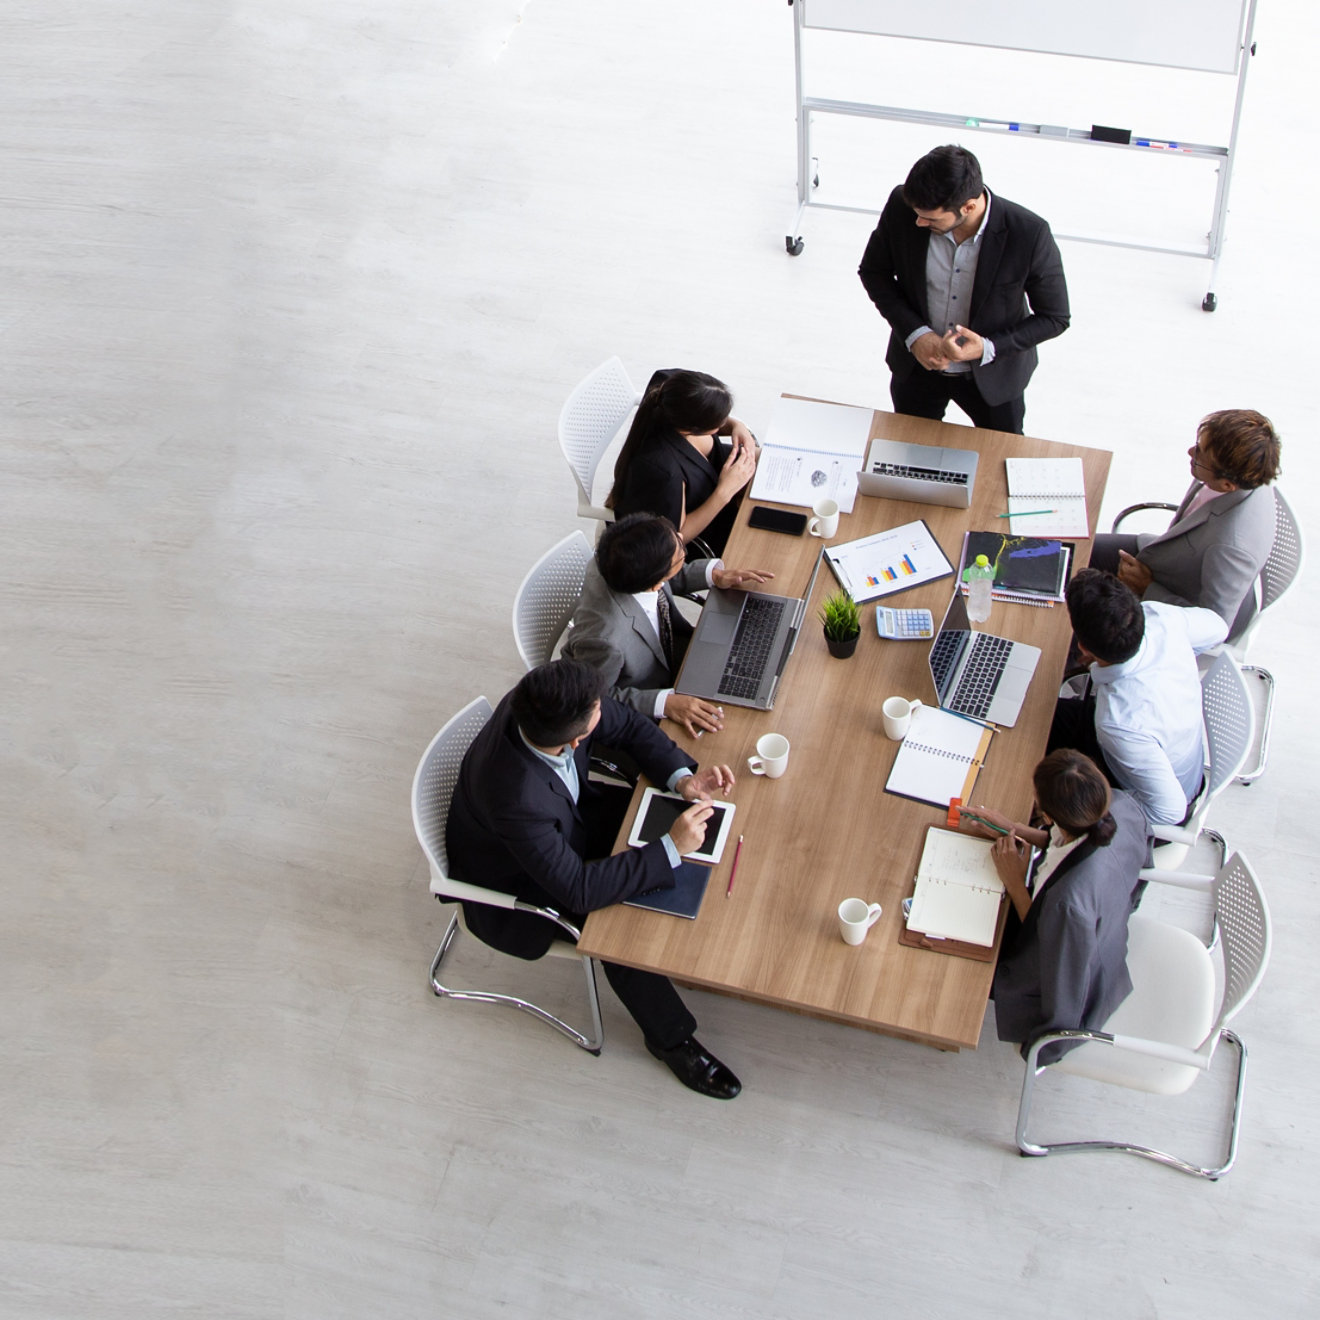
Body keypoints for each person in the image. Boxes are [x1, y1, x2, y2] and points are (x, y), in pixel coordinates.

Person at [445, 658, 743, 1099]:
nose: (606, 710)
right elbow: (579, 891)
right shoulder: (515, 798)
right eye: (597, 714)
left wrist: (683, 779)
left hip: (567, 820)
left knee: (661, 832)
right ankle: (671, 1040)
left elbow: (629, 728)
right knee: (620, 933)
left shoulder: (546, 699)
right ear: (574, 740)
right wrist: (669, 848)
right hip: (520, 886)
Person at [857, 144, 1070, 435]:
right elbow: (874, 272)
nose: (918, 222)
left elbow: (1055, 317)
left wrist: (988, 347)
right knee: (909, 451)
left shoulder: (1029, 233)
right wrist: (916, 334)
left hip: (993, 379)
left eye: (930, 219)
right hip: (917, 369)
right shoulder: (903, 205)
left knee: (998, 459)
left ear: (968, 206)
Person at [960, 750, 1152, 1063]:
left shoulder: (1068, 905)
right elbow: (1069, 844)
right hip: (1096, 928)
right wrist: (1016, 828)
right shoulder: (1118, 806)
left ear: (1048, 816)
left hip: (1072, 973)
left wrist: (1014, 881)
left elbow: (1045, 945)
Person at [562, 514, 774, 737]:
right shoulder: (605, 640)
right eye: (681, 549)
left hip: (677, 655)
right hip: (645, 704)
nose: (682, 537)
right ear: (654, 583)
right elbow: (592, 700)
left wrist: (714, 575)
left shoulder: (620, 559)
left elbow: (669, 575)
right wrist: (664, 704)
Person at [1049, 568, 1227, 828]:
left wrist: (1097, 813)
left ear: (1083, 647)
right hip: (1167, 757)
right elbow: (1218, 627)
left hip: (1149, 796)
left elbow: (1170, 812)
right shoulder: (1161, 618)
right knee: (1036, 712)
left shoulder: (1118, 722)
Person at [1089, 409, 1282, 640]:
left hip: (1175, 601)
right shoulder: (1243, 469)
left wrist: (1147, 588)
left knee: (1079, 629)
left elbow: (1214, 625)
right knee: (1070, 549)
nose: (1191, 452)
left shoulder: (1231, 547)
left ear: (1228, 484)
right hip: (1171, 558)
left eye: (1200, 454)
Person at [608, 368, 759, 558]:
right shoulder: (663, 472)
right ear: (692, 427)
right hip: (706, 531)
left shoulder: (668, 389)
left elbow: (719, 420)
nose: (723, 424)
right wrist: (724, 492)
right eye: (719, 421)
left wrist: (738, 426)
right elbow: (676, 538)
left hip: (720, 481)